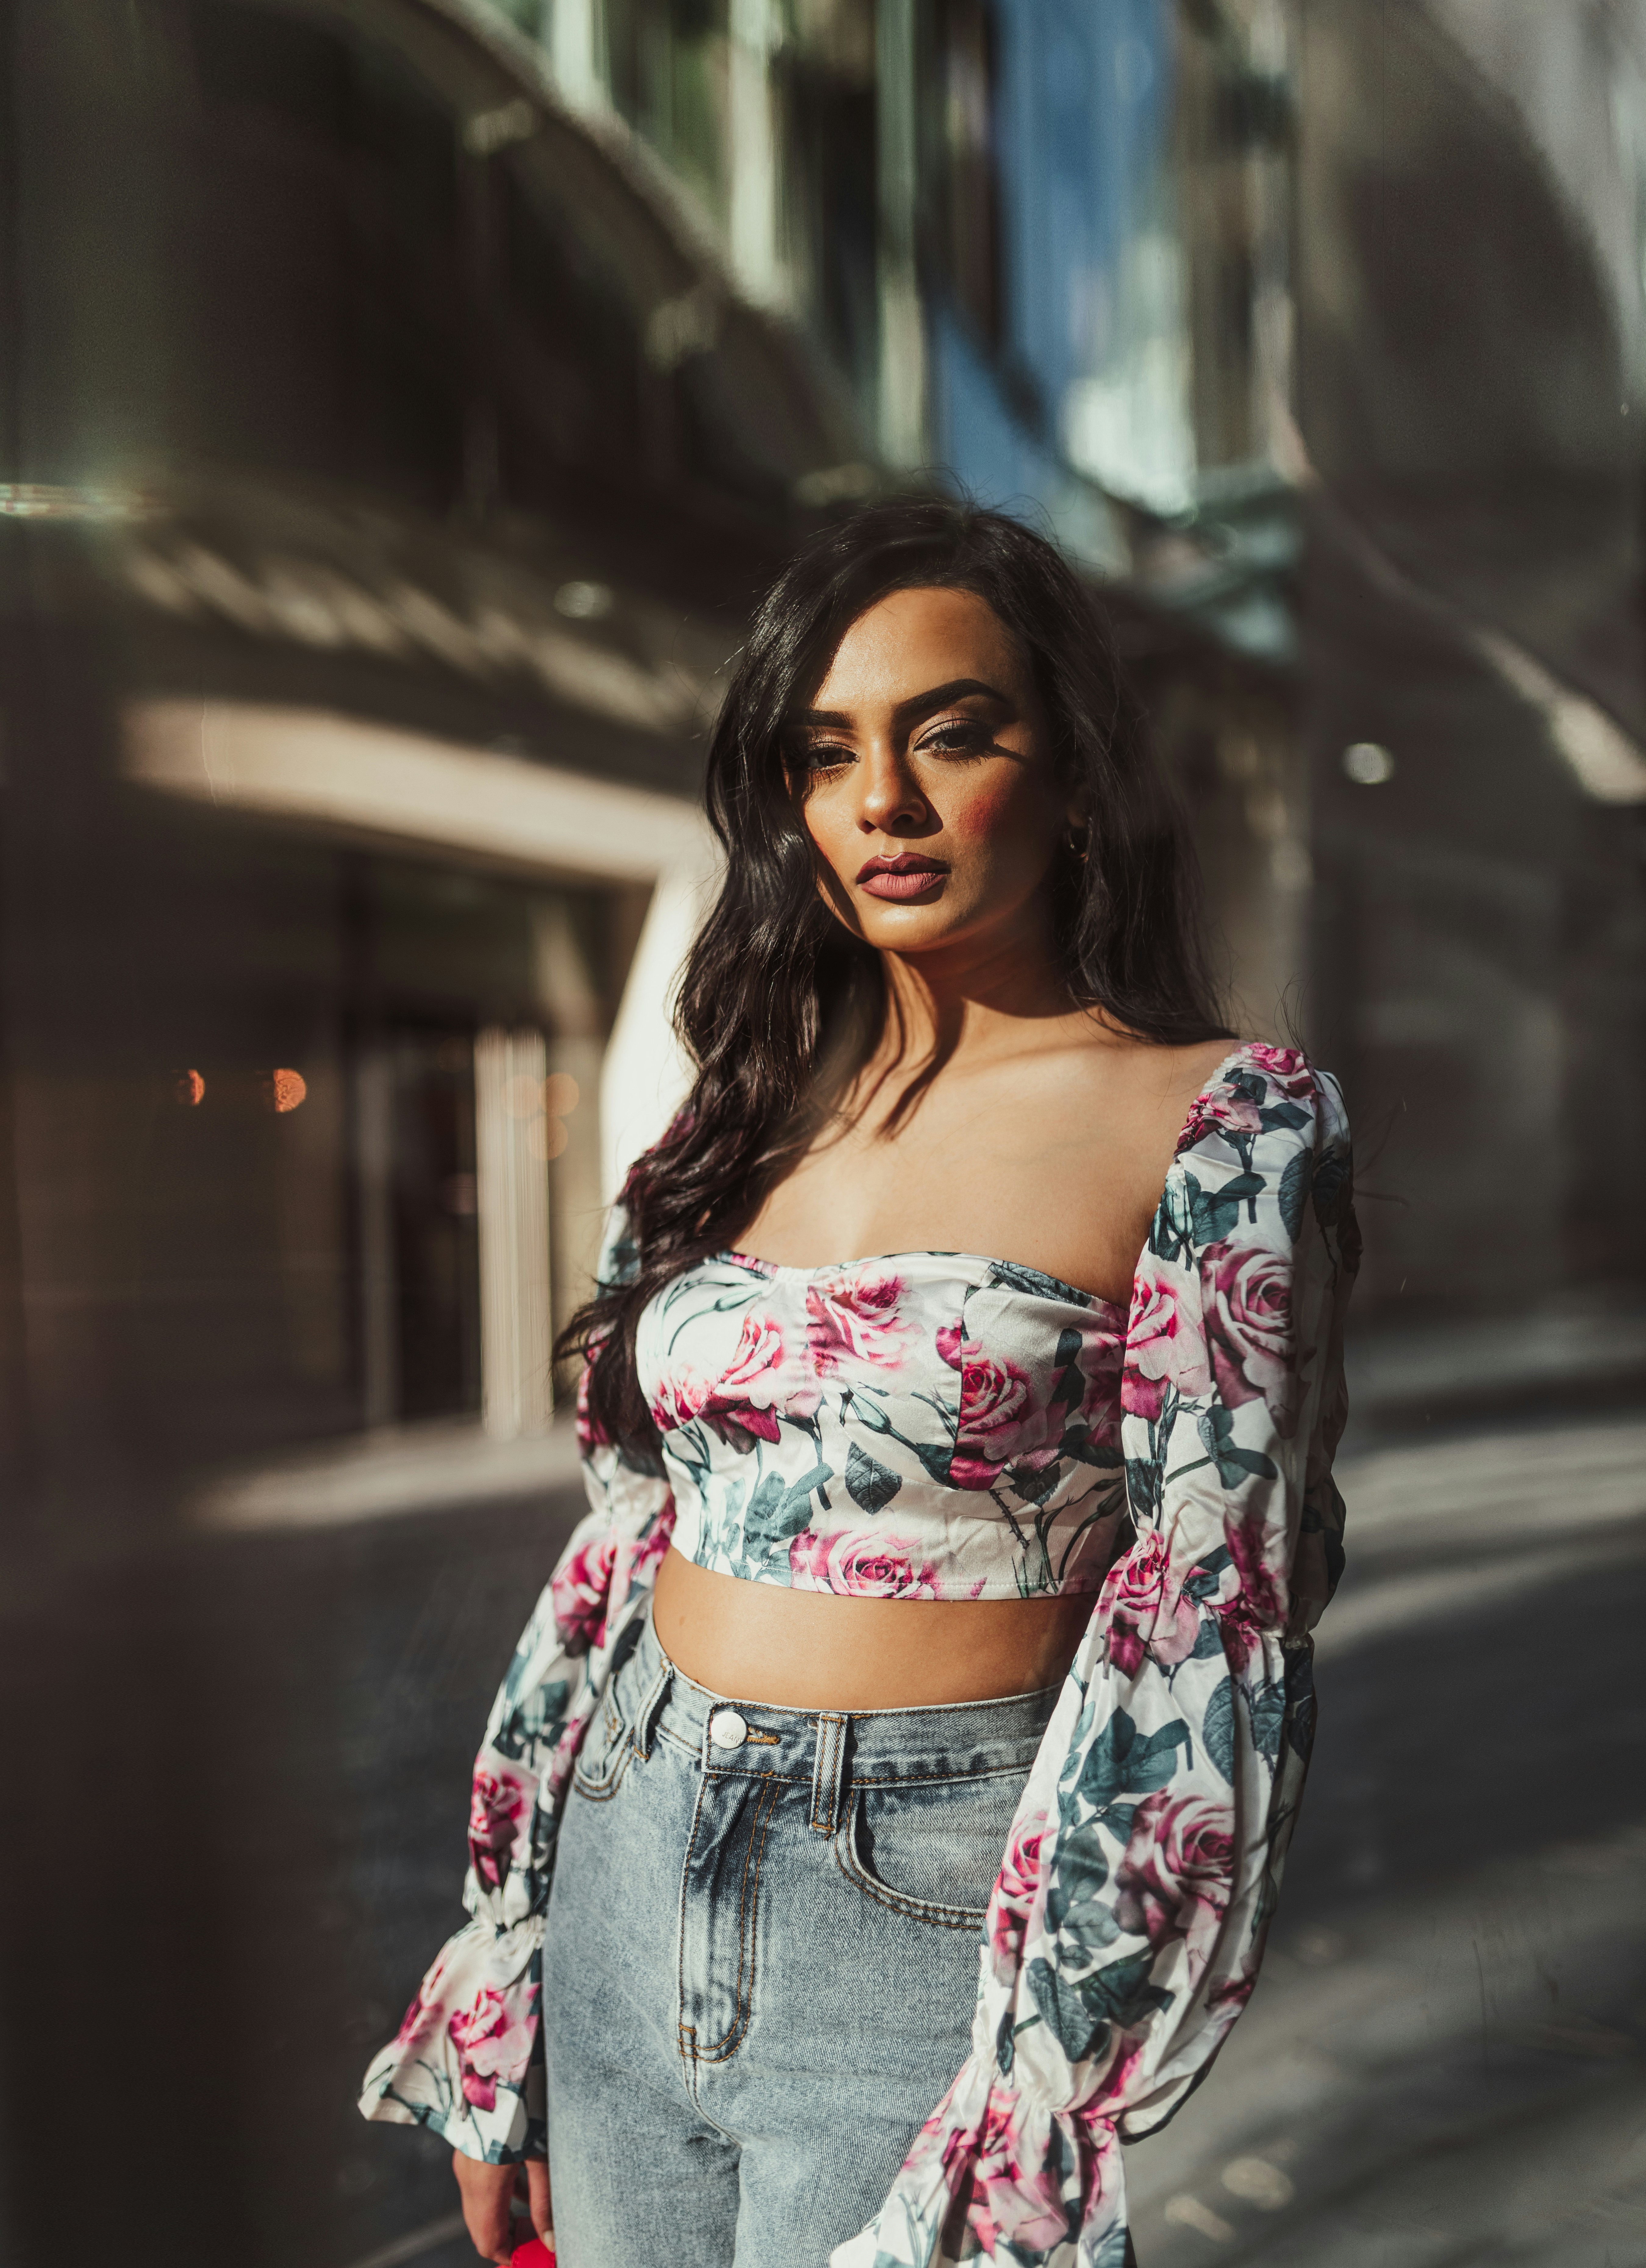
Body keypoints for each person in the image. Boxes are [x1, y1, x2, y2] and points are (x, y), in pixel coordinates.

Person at [359, 500, 1358, 2268]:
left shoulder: (1220, 1117)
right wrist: (501, 1963)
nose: (881, 803)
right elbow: (613, 1555)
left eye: (949, 733)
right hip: (620, 1843)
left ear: (1069, 769)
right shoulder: (724, 1126)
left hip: (927, 1899)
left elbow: (1206, 1621)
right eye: (826, 756)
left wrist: (1052, 2079)